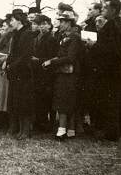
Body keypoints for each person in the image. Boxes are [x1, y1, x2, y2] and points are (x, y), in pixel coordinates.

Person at [90, 0, 121, 141]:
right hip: (113, 72)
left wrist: (93, 45)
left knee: (111, 102)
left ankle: (112, 133)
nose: (102, 10)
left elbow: (111, 50)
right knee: (116, 101)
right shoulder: (115, 25)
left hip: (112, 73)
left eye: (104, 8)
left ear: (113, 10)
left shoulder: (113, 27)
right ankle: (118, 130)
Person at [42, 9, 84, 140]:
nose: (60, 24)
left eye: (63, 22)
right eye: (60, 21)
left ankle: (63, 130)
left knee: (65, 102)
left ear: (69, 23)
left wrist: (52, 61)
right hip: (62, 72)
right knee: (64, 101)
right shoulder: (62, 36)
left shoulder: (74, 37)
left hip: (69, 73)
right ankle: (69, 129)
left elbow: (70, 57)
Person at [6, 11, 36, 139]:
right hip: (15, 73)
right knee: (15, 101)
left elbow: (25, 55)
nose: (10, 23)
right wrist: (8, 64)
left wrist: (11, 66)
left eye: (12, 20)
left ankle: (25, 131)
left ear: (19, 20)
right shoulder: (16, 34)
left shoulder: (27, 33)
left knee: (24, 102)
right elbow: (12, 53)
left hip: (24, 73)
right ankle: (16, 128)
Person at [31, 15, 59, 133]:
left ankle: (47, 124)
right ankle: (39, 122)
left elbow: (52, 57)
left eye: (44, 24)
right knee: (39, 99)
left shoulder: (51, 39)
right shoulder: (37, 37)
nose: (41, 26)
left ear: (49, 25)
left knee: (46, 99)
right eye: (40, 24)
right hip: (37, 72)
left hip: (47, 73)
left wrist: (39, 60)